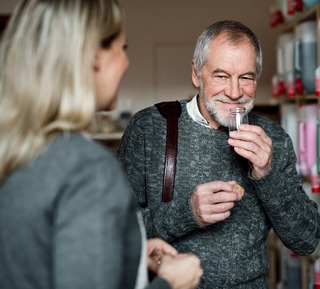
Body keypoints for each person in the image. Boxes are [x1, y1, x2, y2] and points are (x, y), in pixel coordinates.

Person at [0, 1, 203, 289]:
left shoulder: (17, 150)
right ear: (95, 55)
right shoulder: (87, 168)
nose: (126, 62)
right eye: (123, 48)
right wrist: (170, 283)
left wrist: (125, 256)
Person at [117, 20, 320, 288]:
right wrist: (186, 213)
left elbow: (307, 240)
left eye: (246, 78)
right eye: (221, 76)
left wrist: (267, 174)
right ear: (196, 74)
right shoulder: (150, 128)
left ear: (256, 78)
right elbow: (115, 232)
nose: (235, 93)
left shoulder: (274, 138)